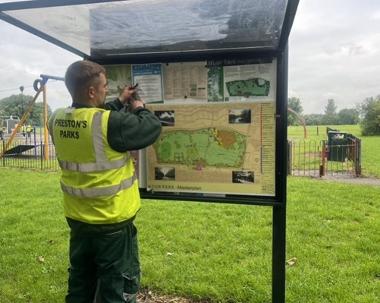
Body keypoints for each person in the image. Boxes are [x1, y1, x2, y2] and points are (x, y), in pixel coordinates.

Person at [48, 60, 162, 303]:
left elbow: (90, 117)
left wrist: (120, 101)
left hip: (78, 220)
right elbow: (150, 128)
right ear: (91, 91)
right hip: (111, 223)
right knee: (116, 289)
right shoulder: (109, 124)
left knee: (80, 284)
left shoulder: (55, 119)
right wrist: (140, 107)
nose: (105, 91)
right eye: (104, 86)